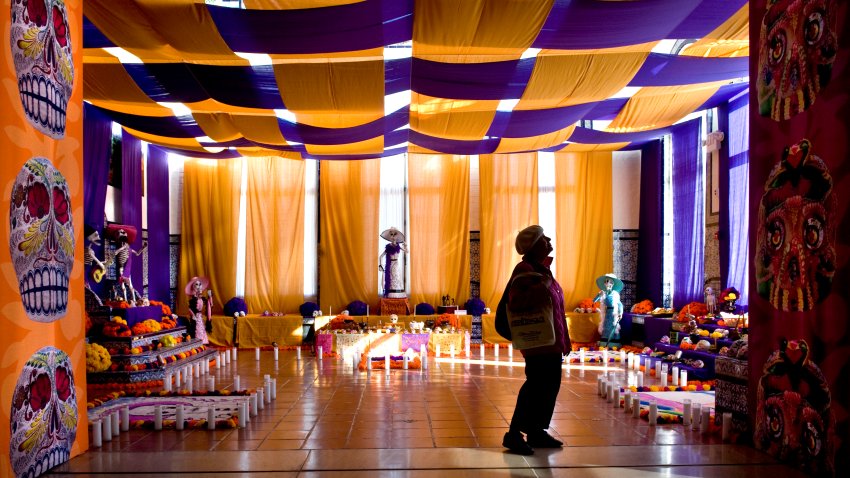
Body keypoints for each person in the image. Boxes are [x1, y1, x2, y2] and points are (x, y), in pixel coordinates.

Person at [502, 225, 569, 455]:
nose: (549, 239)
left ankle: (536, 431)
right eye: (543, 238)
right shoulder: (525, 269)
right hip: (538, 343)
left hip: (551, 342)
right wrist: (543, 287)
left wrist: (565, 340)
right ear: (533, 246)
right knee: (535, 386)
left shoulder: (542, 269)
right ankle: (513, 434)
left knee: (550, 386)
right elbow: (518, 303)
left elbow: (556, 309)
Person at [593, 273, 624, 344]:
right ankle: (605, 342)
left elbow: (619, 304)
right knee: (606, 325)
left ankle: (614, 342)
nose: (608, 283)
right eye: (606, 281)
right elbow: (594, 301)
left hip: (614, 313)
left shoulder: (615, 294)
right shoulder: (603, 293)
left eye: (610, 282)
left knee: (613, 326)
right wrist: (599, 295)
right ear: (604, 283)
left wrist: (621, 313)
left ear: (613, 284)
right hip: (607, 313)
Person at [378, 227, 408, 298]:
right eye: (391, 234)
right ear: (390, 236)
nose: (393, 236)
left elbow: (406, 251)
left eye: (395, 234)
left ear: (397, 236)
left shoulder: (398, 246)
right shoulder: (388, 247)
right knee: (391, 278)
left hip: (396, 265)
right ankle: (390, 293)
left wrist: (406, 246)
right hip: (390, 264)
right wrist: (380, 265)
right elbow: (381, 256)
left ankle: (397, 293)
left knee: (396, 277)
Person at [186, 276, 212, 345]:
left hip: (200, 316)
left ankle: (202, 342)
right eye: (196, 284)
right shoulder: (193, 299)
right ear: (194, 287)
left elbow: (210, 304)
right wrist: (193, 315)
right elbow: (190, 308)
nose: (198, 286)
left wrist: (210, 296)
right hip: (195, 317)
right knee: (197, 329)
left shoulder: (201, 297)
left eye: (200, 284)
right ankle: (197, 342)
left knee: (201, 328)